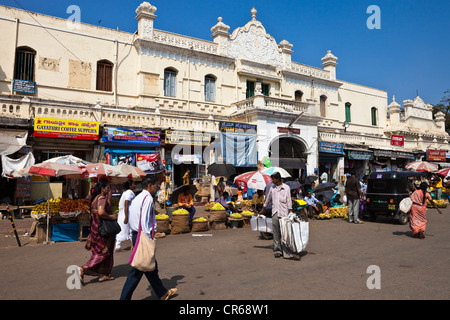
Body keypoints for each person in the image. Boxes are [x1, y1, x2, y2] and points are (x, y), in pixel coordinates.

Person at [120, 177, 177, 300]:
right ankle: (124, 298)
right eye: (156, 186)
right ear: (150, 186)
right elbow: (144, 221)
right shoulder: (148, 198)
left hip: (137, 235)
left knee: (151, 267)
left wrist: (132, 239)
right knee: (137, 270)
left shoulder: (137, 198)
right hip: (143, 237)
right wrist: (147, 239)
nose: (157, 189)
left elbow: (131, 218)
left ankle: (162, 293)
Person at [79, 179, 117, 284]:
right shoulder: (101, 198)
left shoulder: (95, 198)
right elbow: (101, 212)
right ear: (102, 189)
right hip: (102, 229)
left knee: (100, 250)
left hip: (95, 229)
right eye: (107, 188)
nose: (108, 190)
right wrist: (111, 217)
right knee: (103, 251)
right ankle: (83, 268)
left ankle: (103, 274)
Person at [260, 172, 299, 260]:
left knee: (285, 233)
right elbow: (268, 199)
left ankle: (286, 251)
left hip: (284, 214)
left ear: (278, 179)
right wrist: (263, 209)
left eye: (273, 179)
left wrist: (290, 210)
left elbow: (289, 200)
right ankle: (277, 250)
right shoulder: (272, 188)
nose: (272, 181)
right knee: (276, 233)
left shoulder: (286, 188)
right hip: (275, 213)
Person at [115, 180, 136, 252]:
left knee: (125, 230)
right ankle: (133, 245)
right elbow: (126, 204)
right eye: (133, 184)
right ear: (130, 186)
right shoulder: (129, 193)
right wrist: (126, 216)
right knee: (131, 229)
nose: (135, 185)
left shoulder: (126, 192)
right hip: (126, 214)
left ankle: (119, 246)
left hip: (123, 213)